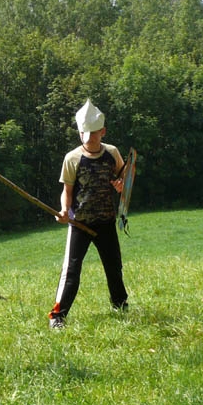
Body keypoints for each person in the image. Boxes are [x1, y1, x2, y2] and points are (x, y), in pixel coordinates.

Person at [48, 99, 129, 329]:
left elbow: (125, 177)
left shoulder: (112, 153)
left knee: (114, 267)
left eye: (93, 133)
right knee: (71, 271)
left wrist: (121, 184)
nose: (89, 137)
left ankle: (120, 305)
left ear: (102, 131)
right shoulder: (72, 158)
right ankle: (57, 316)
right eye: (84, 133)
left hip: (106, 221)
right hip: (80, 224)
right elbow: (67, 191)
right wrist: (65, 211)